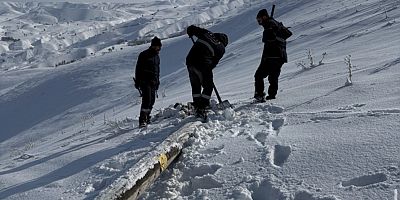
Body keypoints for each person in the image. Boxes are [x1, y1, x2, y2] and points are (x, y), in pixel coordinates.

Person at [186, 25, 228, 117]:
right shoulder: (221, 48)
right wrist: (206, 73)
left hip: (190, 60)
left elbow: (192, 28)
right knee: (208, 85)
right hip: (203, 63)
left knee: (196, 84)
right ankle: (203, 106)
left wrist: (190, 31)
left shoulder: (208, 33)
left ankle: (197, 105)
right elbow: (213, 63)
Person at [254, 8, 291, 102]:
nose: (259, 23)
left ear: (264, 17)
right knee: (271, 77)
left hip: (273, 56)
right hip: (278, 56)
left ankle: (263, 96)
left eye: (260, 20)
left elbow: (269, 39)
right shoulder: (274, 24)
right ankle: (269, 96)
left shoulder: (270, 25)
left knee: (261, 75)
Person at [134, 36, 161, 127]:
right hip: (145, 81)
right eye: (157, 46)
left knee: (152, 100)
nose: (159, 48)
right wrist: (138, 81)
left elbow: (157, 70)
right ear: (153, 46)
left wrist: (157, 81)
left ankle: (147, 116)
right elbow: (138, 68)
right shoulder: (144, 54)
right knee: (147, 99)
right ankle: (142, 120)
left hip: (153, 82)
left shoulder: (157, 57)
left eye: (159, 46)